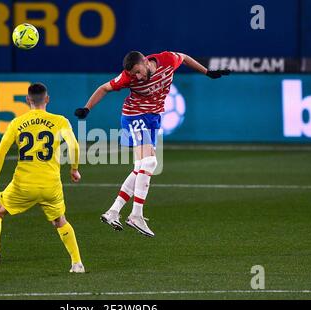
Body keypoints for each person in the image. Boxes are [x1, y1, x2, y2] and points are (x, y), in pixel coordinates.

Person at [75, 51, 230, 237]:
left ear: (146, 62)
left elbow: (185, 58)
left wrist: (207, 72)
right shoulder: (127, 77)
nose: (137, 77)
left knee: (141, 167)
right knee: (150, 163)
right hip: (134, 116)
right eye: (133, 75)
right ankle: (136, 215)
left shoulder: (168, 60)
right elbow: (104, 88)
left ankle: (113, 211)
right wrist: (87, 108)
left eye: (138, 72)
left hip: (153, 118)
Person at [0, 82, 85, 273]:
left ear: (28, 100)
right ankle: (77, 263)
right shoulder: (60, 121)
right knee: (60, 221)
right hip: (50, 184)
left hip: (23, 185)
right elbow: (74, 146)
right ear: (47, 99)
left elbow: (1, 152)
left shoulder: (17, 122)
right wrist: (74, 169)